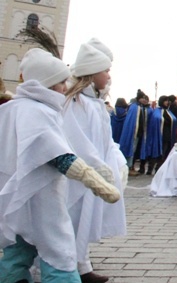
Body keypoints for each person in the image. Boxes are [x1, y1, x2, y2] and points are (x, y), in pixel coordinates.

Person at [0, 48, 120, 283]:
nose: (64, 87)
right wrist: (95, 180)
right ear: (48, 83)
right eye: (60, 83)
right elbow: (59, 156)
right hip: (42, 194)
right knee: (59, 249)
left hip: (14, 195)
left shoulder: (10, 109)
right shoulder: (39, 111)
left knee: (18, 246)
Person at [63, 41, 128, 283]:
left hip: (92, 173)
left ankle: (81, 264)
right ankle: (67, 267)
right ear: (92, 72)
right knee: (72, 217)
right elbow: (77, 140)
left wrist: (116, 161)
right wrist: (98, 167)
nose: (109, 75)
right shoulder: (76, 102)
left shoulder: (94, 103)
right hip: (80, 174)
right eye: (105, 70)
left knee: (83, 219)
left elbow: (105, 140)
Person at [119, 89, 151, 176]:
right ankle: (128, 167)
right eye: (143, 98)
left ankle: (130, 166)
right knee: (130, 149)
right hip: (133, 133)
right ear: (139, 98)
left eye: (146, 99)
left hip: (139, 133)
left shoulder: (143, 108)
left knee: (134, 150)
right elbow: (131, 121)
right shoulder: (134, 107)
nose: (145, 100)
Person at [146, 95, 177, 174]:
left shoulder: (169, 111)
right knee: (156, 152)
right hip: (158, 136)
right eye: (165, 100)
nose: (167, 102)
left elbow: (174, 120)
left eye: (168, 101)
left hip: (167, 136)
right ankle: (150, 169)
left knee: (164, 153)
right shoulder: (156, 111)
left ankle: (159, 169)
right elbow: (154, 121)